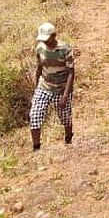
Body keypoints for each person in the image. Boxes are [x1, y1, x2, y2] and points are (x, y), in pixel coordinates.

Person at [30, 22, 74, 150]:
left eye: (48, 39)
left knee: (65, 117)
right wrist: (36, 88)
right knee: (35, 116)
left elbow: (71, 72)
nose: (46, 42)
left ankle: (68, 140)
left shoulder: (65, 49)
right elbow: (39, 68)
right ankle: (36, 147)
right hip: (44, 86)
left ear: (54, 36)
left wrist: (65, 95)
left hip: (61, 88)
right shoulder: (40, 48)